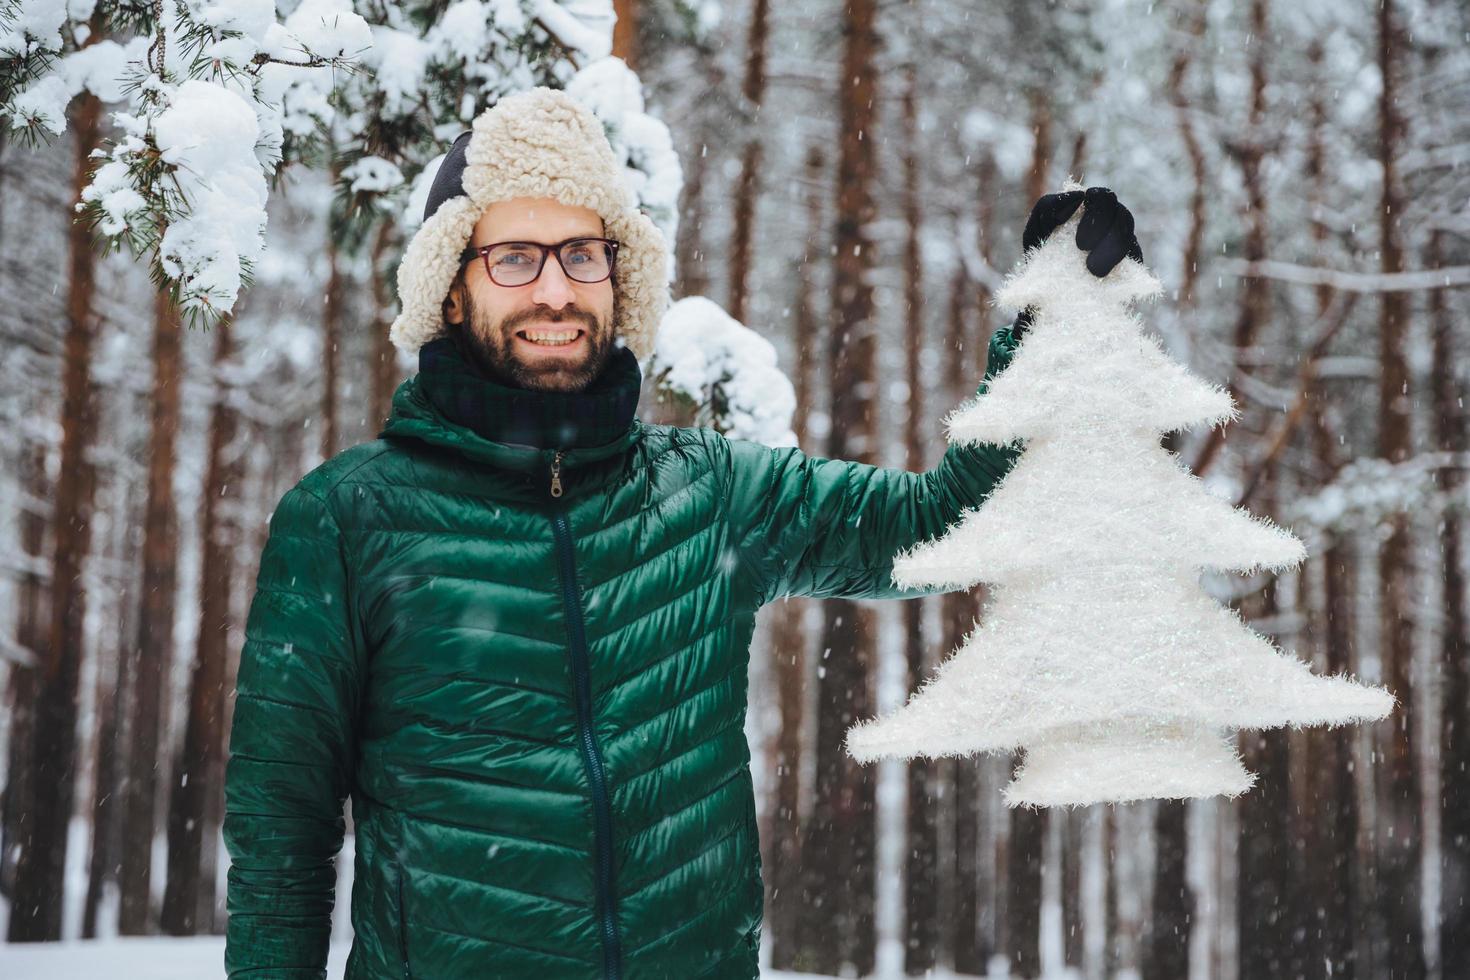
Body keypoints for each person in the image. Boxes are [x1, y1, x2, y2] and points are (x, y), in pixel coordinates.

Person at [221, 87, 1141, 979]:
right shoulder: (344, 519)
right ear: (451, 289)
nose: (554, 289)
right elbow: (280, 841)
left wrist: (1044, 336)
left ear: (620, 279)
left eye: (583, 254)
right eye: (514, 257)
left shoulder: (707, 489)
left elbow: (950, 522)